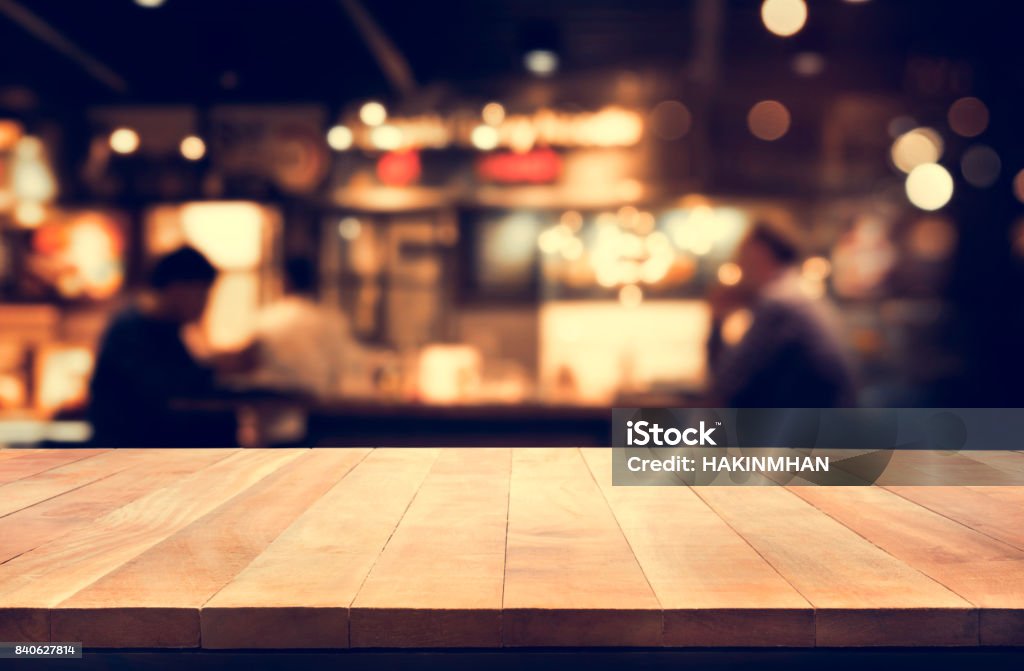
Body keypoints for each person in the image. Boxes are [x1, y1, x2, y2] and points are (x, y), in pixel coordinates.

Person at [88, 246, 255, 446]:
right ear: (177, 289)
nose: (206, 304)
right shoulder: (132, 330)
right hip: (132, 454)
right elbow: (161, 397)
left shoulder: (162, 327)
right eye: (202, 294)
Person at [706, 221, 856, 407]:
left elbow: (726, 383)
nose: (738, 264)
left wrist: (717, 319)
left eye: (742, 254)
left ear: (759, 254)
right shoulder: (798, 292)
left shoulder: (780, 304)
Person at [250, 257, 352, 398]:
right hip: (320, 408)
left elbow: (252, 363)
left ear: (284, 281)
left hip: (271, 406)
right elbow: (340, 368)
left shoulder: (267, 319)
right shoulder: (332, 321)